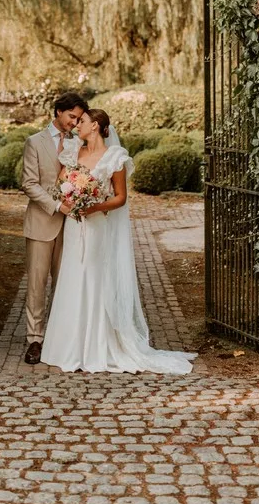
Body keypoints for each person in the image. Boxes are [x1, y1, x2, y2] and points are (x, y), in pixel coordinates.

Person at [41, 108, 195, 374]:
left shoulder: (116, 158)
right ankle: (68, 347)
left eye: (83, 121)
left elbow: (121, 197)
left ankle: (98, 345)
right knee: (72, 276)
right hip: (75, 225)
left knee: (95, 277)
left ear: (96, 125)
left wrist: (94, 206)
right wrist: (72, 200)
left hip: (98, 224)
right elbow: (61, 185)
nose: (77, 125)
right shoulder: (73, 154)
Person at [21, 91, 88, 365]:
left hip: (71, 226)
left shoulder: (79, 143)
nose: (74, 122)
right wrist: (56, 206)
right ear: (58, 111)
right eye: (72, 116)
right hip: (41, 222)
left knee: (65, 284)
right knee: (37, 286)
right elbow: (29, 184)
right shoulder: (34, 142)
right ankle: (34, 340)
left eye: (79, 118)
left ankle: (61, 340)